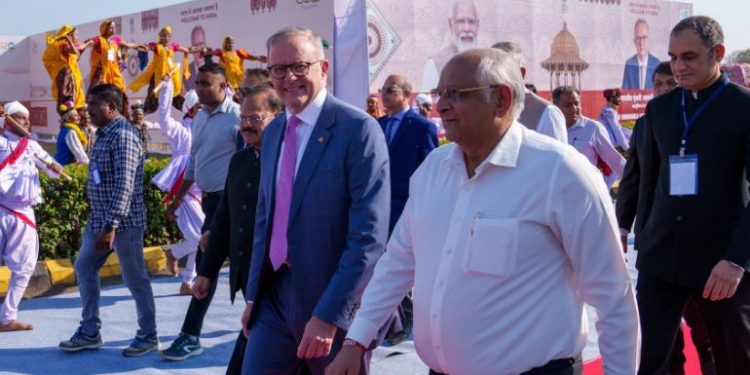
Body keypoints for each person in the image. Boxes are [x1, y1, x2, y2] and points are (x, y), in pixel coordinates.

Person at [326, 48, 639, 375]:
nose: (440, 105)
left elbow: (613, 295)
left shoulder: (561, 172)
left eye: (455, 94)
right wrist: (357, 340)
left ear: (501, 99)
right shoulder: (433, 170)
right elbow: (398, 262)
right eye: (439, 93)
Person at [240, 26, 390, 374]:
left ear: (322, 69)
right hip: (274, 295)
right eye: (278, 69)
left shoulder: (358, 130)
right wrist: (253, 296)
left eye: (299, 66)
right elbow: (266, 215)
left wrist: (329, 315)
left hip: (330, 297)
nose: (289, 77)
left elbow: (368, 237)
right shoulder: (275, 130)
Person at [632, 16, 750, 374]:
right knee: (648, 356)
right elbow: (647, 180)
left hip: (721, 263)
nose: (678, 67)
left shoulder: (743, 108)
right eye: (672, 57)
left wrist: (736, 260)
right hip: (661, 259)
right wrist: (638, 238)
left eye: (689, 57)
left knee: (734, 357)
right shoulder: (659, 110)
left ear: (718, 54)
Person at [616, 61, 716, 375]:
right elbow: (633, 180)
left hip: (705, 252)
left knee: (708, 334)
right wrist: (621, 226)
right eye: (657, 84)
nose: (662, 91)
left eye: (669, 84)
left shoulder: (708, 123)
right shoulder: (647, 124)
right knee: (657, 340)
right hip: (656, 248)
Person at [59, 84, 158, 357]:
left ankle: (148, 335)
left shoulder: (123, 136)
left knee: (135, 278)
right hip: (99, 221)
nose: (87, 111)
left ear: (111, 108)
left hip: (122, 224)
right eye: (87, 105)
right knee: (84, 267)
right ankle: (90, 331)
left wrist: (110, 226)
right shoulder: (102, 134)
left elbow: (124, 185)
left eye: (93, 105)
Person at [192, 84, 282, 374]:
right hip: (246, 273)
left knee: (254, 343)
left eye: (255, 118)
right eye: (242, 118)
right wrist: (206, 272)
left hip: (279, 277)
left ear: (277, 117)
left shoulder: (288, 161)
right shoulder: (240, 160)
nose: (245, 125)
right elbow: (224, 219)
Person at [160, 63, 240, 361]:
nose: (201, 88)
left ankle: (189, 335)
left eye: (208, 83)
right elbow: (194, 164)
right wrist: (178, 198)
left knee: (208, 266)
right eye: (198, 83)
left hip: (231, 203)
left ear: (224, 86)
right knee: (222, 268)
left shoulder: (236, 117)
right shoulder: (201, 118)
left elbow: (249, 163)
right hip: (209, 202)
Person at [378, 74, 438, 344]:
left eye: (390, 90)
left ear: (406, 94)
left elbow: (430, 170)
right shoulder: (376, 125)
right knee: (382, 264)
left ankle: (406, 318)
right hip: (378, 208)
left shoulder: (422, 127)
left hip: (407, 206)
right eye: (382, 90)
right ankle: (389, 322)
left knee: (404, 263)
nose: (384, 95)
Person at [0, 101, 64, 332]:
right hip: (0, 208)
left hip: (24, 212)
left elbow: (53, 169)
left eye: (27, 118)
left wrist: (55, 168)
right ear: (7, 120)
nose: (26, 121)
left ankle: (7, 318)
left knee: (24, 267)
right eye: (20, 117)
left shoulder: (32, 146)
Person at [153, 79, 204, 296]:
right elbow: (163, 119)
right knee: (201, 237)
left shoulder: (208, 128)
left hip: (203, 186)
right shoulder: (181, 130)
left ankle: (187, 282)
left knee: (202, 236)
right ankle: (173, 254)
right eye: (200, 106)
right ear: (190, 109)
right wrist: (167, 90)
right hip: (183, 187)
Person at [493, 41, 567, 143]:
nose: (495, 77)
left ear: (521, 73)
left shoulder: (547, 113)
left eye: (502, 70)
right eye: (491, 70)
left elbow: (558, 157)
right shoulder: (483, 108)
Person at [553, 86, 625, 183]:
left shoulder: (593, 128)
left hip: (585, 191)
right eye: (568, 105)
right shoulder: (549, 128)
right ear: (555, 107)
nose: (574, 109)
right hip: (557, 192)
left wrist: (636, 183)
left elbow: (615, 160)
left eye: (576, 103)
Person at [128, 26, 199, 114]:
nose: (165, 38)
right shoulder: (157, 46)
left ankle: (193, 114)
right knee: (151, 104)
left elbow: (187, 50)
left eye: (167, 36)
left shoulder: (173, 46)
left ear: (170, 37)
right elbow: (144, 47)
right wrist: (129, 46)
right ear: (160, 36)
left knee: (178, 100)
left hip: (171, 77)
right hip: (158, 78)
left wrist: (200, 49)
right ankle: (137, 113)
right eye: (163, 36)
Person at [422, 0, 479, 92]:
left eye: (471, 22)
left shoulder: (486, 61)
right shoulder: (434, 63)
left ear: (477, 24)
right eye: (461, 21)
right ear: (451, 24)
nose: (467, 28)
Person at [42, 25, 92, 110]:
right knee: (71, 103)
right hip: (68, 78)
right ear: (69, 35)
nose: (77, 37)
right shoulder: (64, 44)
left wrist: (84, 45)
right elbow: (75, 52)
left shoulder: (62, 44)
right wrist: (86, 44)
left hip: (72, 77)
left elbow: (76, 56)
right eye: (75, 35)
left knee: (76, 103)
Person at [87, 20, 141, 96]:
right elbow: (88, 43)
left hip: (114, 72)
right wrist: (79, 45)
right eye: (111, 28)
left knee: (120, 90)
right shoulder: (99, 40)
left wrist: (140, 46)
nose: (113, 30)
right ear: (105, 29)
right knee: (100, 93)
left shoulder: (115, 40)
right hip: (103, 73)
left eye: (114, 27)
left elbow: (127, 45)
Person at [622, 19, 661, 90]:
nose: (641, 42)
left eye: (644, 37)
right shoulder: (629, 64)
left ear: (649, 40)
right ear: (634, 41)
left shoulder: (657, 64)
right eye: (638, 38)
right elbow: (624, 94)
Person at [54, 101, 90, 165]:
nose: (79, 117)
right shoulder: (70, 132)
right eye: (75, 116)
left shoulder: (64, 129)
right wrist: (88, 164)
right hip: (65, 166)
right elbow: (78, 150)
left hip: (60, 163)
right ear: (68, 119)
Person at [598, 88, 630, 152]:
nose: (620, 99)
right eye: (618, 97)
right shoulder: (609, 112)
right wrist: (626, 147)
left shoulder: (607, 110)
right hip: (611, 147)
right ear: (611, 98)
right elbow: (617, 130)